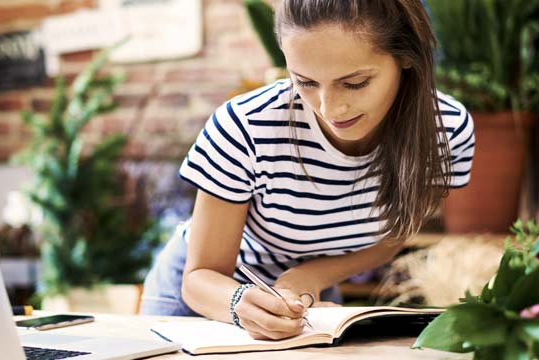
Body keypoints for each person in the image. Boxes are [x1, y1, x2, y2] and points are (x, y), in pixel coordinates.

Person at [139, 0, 474, 341]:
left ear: (406, 56)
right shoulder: (247, 127)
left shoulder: (445, 132)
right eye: (306, 82)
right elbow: (199, 277)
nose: (330, 108)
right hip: (206, 300)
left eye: (355, 83)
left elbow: (393, 236)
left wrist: (309, 278)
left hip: (307, 302)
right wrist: (240, 303)